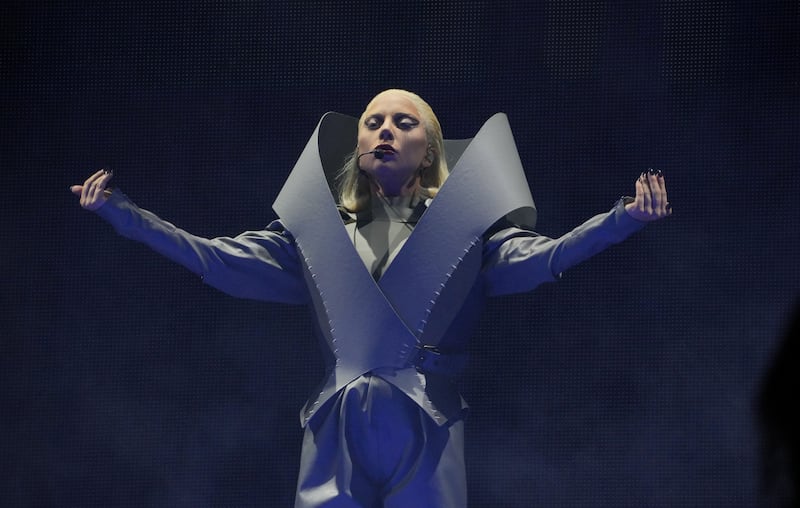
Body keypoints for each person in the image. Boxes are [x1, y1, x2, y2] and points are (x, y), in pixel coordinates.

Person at [71, 89, 670, 507]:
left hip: (427, 420)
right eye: (373, 121)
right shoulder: (316, 239)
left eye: (403, 123)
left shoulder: (466, 235)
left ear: (431, 150)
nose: (385, 130)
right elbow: (214, 257)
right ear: (357, 141)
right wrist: (124, 216)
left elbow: (549, 256)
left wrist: (622, 221)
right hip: (337, 422)